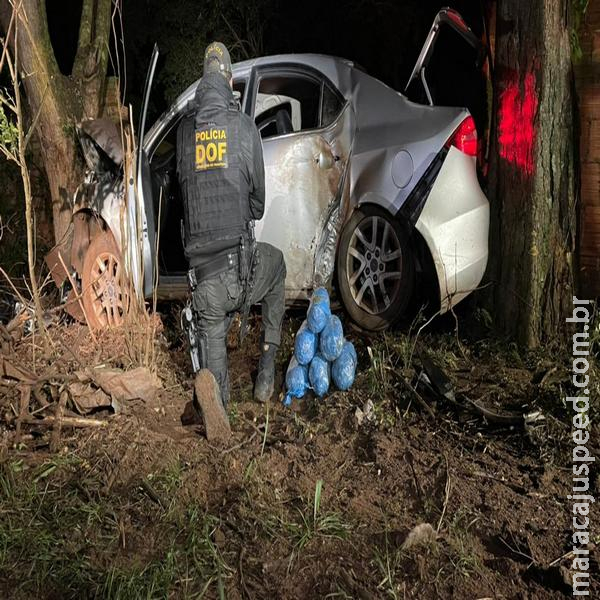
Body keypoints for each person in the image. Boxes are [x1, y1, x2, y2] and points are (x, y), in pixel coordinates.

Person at [177, 41, 286, 412]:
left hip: (204, 285)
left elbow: (182, 195)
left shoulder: (183, 133)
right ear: (228, 80)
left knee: (217, 401)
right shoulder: (243, 127)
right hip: (241, 276)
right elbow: (257, 207)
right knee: (278, 266)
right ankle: (266, 372)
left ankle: (220, 409)